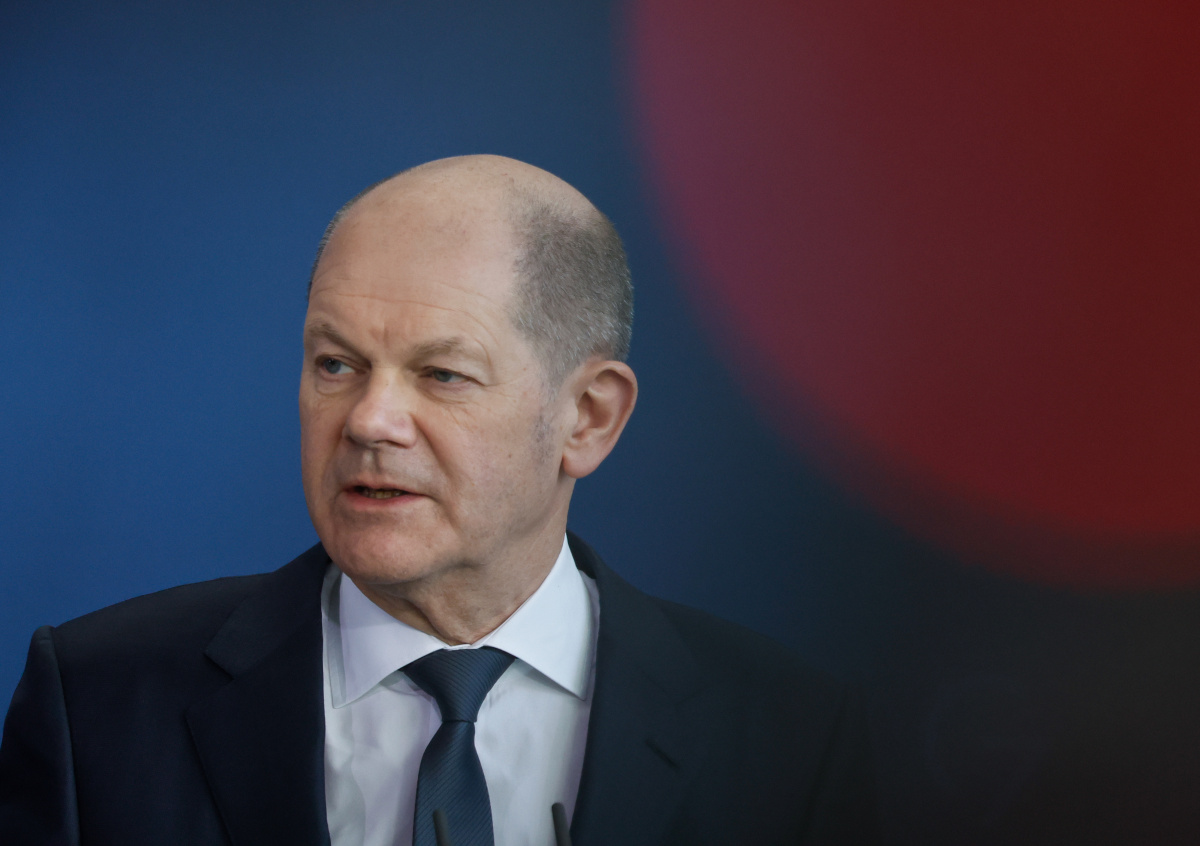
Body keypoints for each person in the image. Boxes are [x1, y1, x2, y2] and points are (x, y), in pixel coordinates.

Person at [0, 155, 878, 845]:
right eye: (336, 364)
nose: (369, 420)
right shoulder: (97, 703)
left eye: (442, 374)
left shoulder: (789, 739)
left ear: (588, 417)